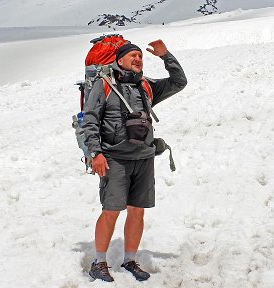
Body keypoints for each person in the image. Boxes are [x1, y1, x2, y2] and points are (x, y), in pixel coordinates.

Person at [82, 39, 187, 282]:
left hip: (144, 157)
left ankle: (130, 258)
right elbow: (90, 120)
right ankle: (99, 263)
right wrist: (96, 153)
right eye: (133, 56)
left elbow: (179, 82)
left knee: (137, 211)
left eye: (140, 56)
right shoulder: (104, 84)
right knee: (111, 211)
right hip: (114, 159)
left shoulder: (146, 86)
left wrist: (165, 56)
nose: (138, 59)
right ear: (120, 60)